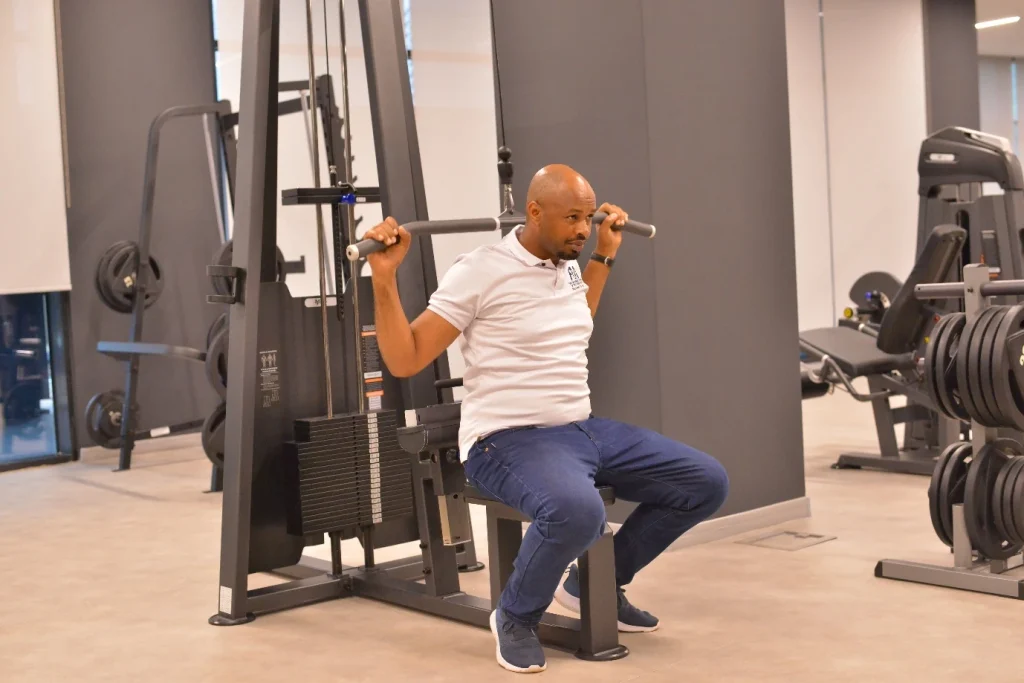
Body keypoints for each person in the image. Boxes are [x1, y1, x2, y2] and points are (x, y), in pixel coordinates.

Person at [366, 164, 729, 674]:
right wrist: (384, 279)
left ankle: (591, 587)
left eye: (588, 217)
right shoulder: (480, 270)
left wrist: (604, 253)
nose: (583, 228)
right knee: (578, 512)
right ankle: (515, 617)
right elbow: (406, 359)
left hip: (581, 428)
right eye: (572, 218)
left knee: (704, 482)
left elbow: (576, 319)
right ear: (534, 212)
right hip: (505, 439)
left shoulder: (567, 263)